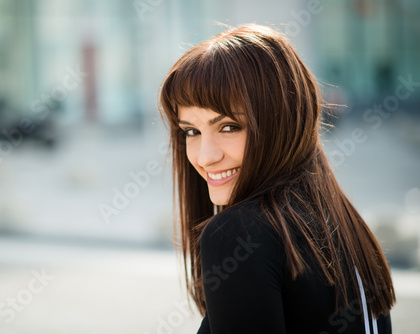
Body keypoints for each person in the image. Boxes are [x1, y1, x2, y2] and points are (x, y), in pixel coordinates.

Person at [158, 23, 395, 333]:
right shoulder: (347, 229)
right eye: (191, 131)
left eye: (229, 126)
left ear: (279, 123)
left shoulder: (239, 234)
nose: (205, 157)